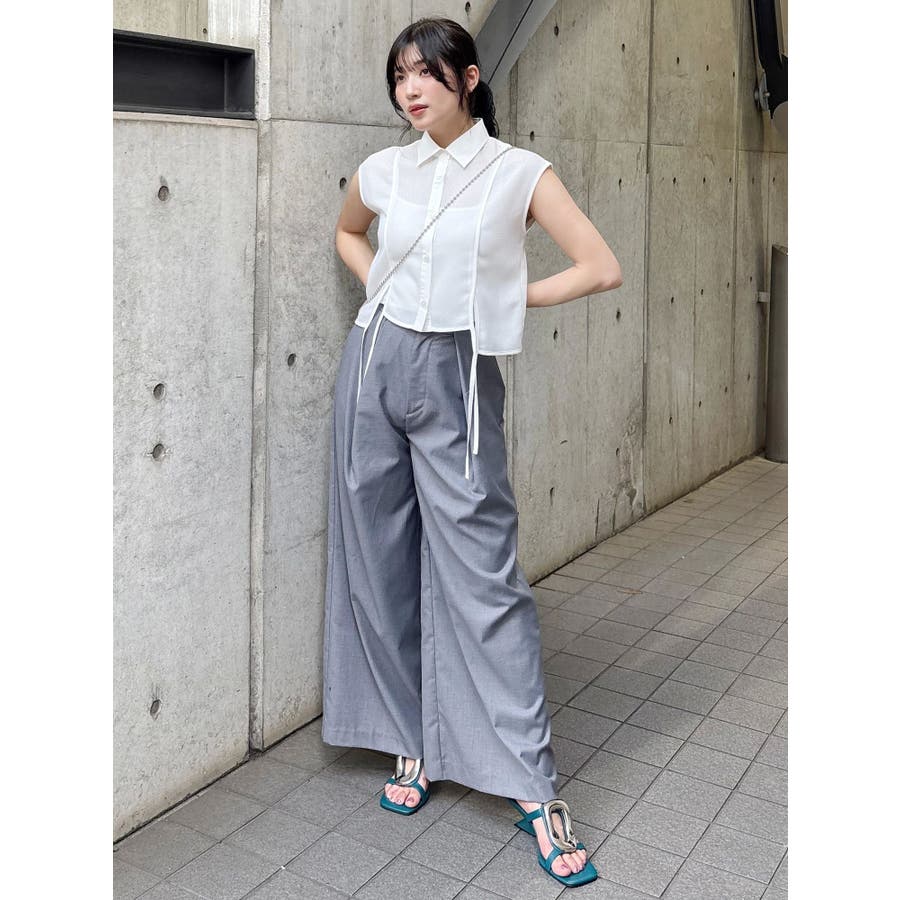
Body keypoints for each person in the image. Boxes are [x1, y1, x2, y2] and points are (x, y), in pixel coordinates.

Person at [322, 15, 622, 888]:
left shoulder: (518, 172)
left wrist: (509, 299)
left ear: (470, 77)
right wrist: (380, 289)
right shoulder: (384, 170)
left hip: (459, 373)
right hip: (373, 365)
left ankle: (533, 787)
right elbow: (347, 233)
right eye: (399, 76)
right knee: (378, 563)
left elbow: (599, 265)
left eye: (426, 72)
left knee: (486, 582)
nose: (410, 89)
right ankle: (411, 740)